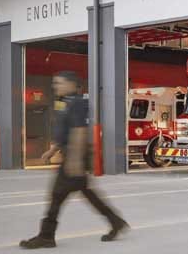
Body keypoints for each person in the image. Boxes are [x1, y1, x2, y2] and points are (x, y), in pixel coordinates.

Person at [20, 71, 128, 249]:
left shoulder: (78, 103)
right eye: (55, 83)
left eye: (60, 83)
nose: (56, 86)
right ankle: (116, 221)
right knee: (87, 193)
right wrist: (52, 150)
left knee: (56, 195)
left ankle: (46, 236)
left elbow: (79, 131)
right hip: (70, 154)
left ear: (71, 84)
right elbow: (64, 130)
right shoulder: (62, 102)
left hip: (74, 155)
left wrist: (75, 161)